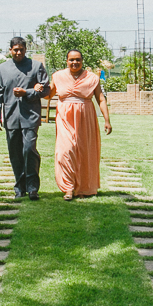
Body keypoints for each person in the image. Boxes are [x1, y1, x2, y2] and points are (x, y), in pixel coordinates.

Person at [46, 50, 112, 200]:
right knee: (65, 151)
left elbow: (100, 98)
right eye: (71, 60)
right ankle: (68, 188)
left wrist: (107, 120)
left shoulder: (92, 78)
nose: (74, 63)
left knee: (83, 152)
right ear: (67, 61)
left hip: (85, 118)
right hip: (65, 118)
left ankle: (83, 188)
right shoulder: (58, 76)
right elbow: (48, 94)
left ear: (82, 61)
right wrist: (37, 87)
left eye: (78, 60)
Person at [0, 37, 50, 201]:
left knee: (28, 150)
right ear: (10, 50)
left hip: (30, 116)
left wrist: (28, 92)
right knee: (15, 153)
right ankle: (20, 187)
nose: (18, 52)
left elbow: (45, 90)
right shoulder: (3, 68)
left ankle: (33, 188)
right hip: (11, 116)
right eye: (15, 49)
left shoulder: (36, 66)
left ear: (25, 50)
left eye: (21, 49)